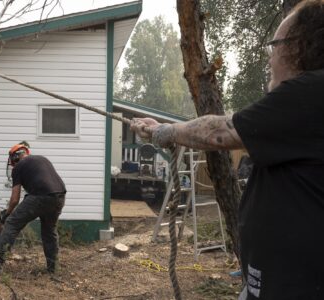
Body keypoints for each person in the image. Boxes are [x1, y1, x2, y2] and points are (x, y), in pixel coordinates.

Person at [131, 1, 324, 299]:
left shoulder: (311, 90)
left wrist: (165, 132)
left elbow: (222, 132)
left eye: (274, 45)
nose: (269, 56)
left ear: (298, 47)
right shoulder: (306, 109)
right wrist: (164, 128)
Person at [0, 143, 66, 275]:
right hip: (59, 196)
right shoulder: (43, 159)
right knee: (49, 231)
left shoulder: (18, 167)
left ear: (15, 158)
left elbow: (15, 198)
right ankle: (53, 269)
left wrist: (7, 213)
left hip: (40, 196)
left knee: (12, 223)